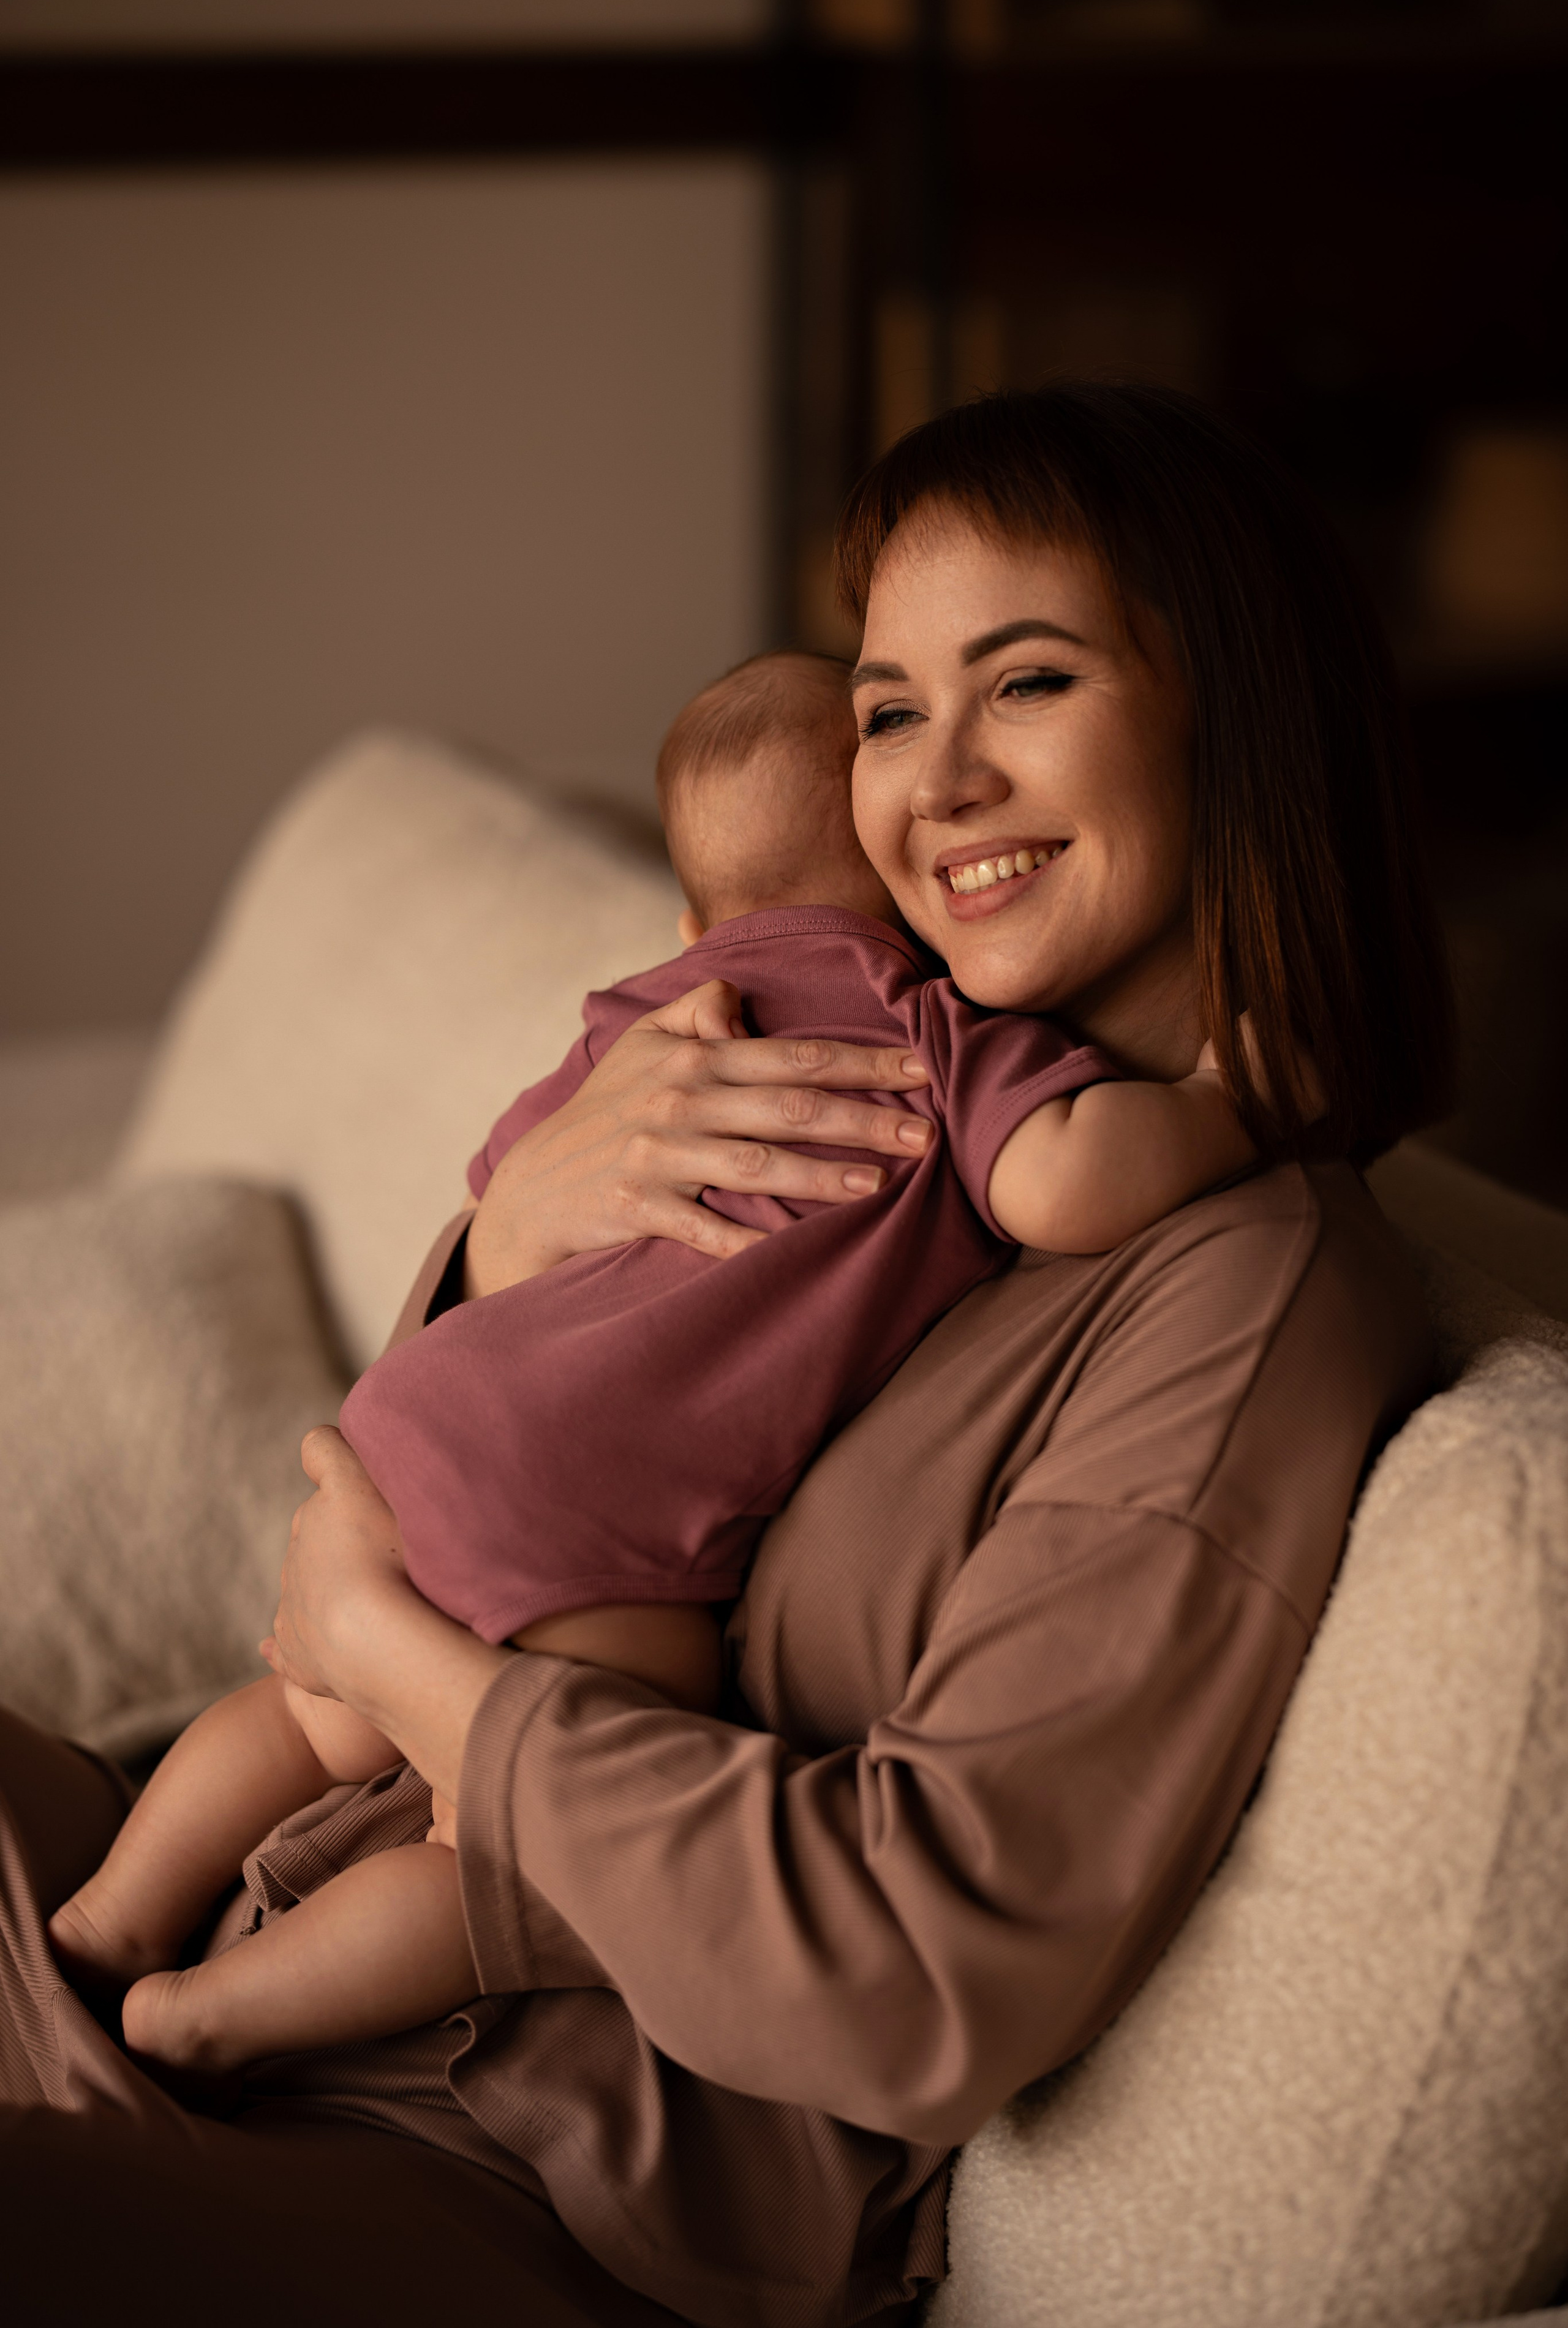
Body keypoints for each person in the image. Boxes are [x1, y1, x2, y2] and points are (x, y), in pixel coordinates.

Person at [0, 383, 1451, 2328]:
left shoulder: (1235, 1291)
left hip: (493, 2154)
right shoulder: (857, 1064)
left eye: (1025, 682)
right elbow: (603, 1424)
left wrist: (399, 1661)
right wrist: (507, 1241)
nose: (930, 783)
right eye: (887, 706)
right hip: (207, 1870)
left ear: (1235, 723)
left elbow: (912, 1961)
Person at [49, 641, 1259, 2078]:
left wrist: (503, 1232)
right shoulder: (938, 1031)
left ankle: (116, 1915)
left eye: (1029, 684)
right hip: (594, 1514)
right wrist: (1222, 1100)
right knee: (501, 1849)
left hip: (419, 1427)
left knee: (309, 1717)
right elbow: (1063, 1181)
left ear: (690, 912)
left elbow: (511, 1181)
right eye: (896, 716)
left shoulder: (639, 1021)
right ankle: (210, 2015)